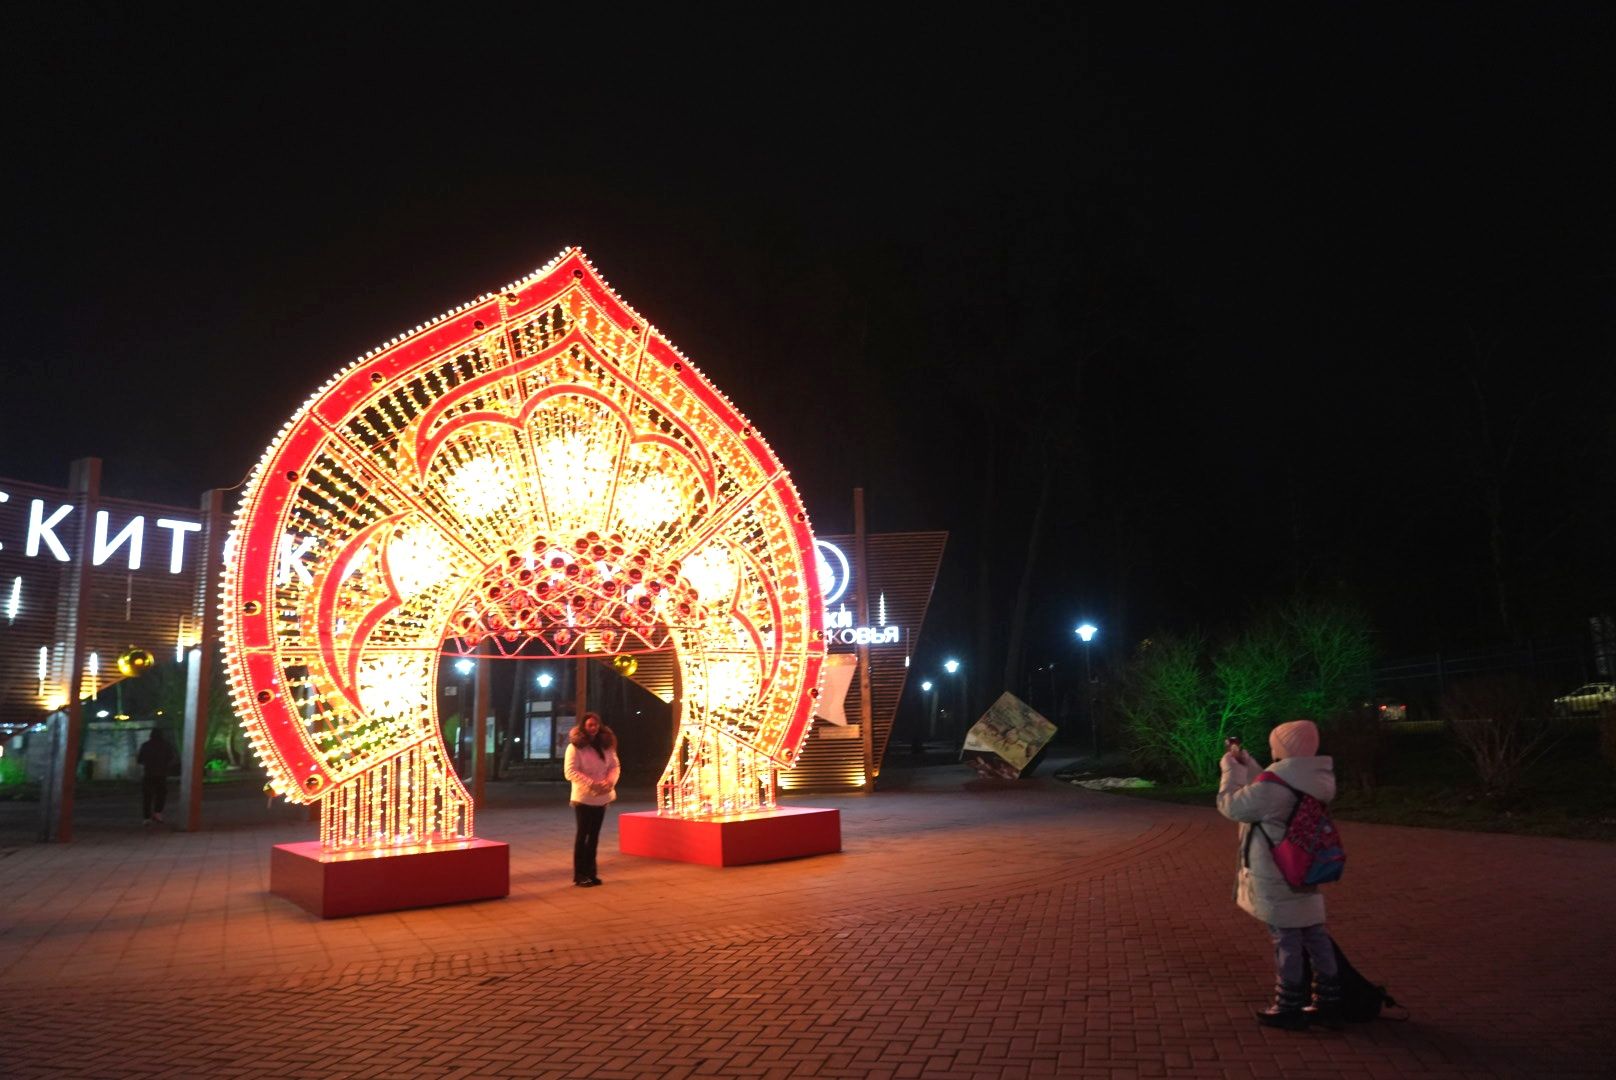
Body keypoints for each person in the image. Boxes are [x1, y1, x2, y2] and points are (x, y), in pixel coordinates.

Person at [1216, 719, 1340, 1030]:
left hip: (1276, 870)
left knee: (1285, 937)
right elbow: (1272, 784)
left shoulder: (1275, 787)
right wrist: (1250, 764)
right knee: (1314, 933)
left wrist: (1230, 769)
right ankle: (1329, 999)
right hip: (1304, 866)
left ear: (1282, 747)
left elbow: (1231, 805)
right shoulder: (1314, 778)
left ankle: (1288, 1004)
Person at [563, 712, 619, 887]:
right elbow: (570, 771)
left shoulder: (606, 744)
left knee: (594, 836)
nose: (593, 728)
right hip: (584, 797)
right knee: (583, 835)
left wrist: (609, 781)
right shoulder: (575, 747)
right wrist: (591, 783)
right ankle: (580, 875)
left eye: (595, 725)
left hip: (602, 796)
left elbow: (614, 765)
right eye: (589, 725)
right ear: (584, 727)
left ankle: (592, 872)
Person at [136, 728, 178, 825]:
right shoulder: (166, 745)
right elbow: (171, 758)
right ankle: (158, 813)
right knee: (161, 794)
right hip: (161, 774)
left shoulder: (146, 745)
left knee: (147, 796)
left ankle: (147, 817)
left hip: (149, 773)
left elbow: (140, 760)